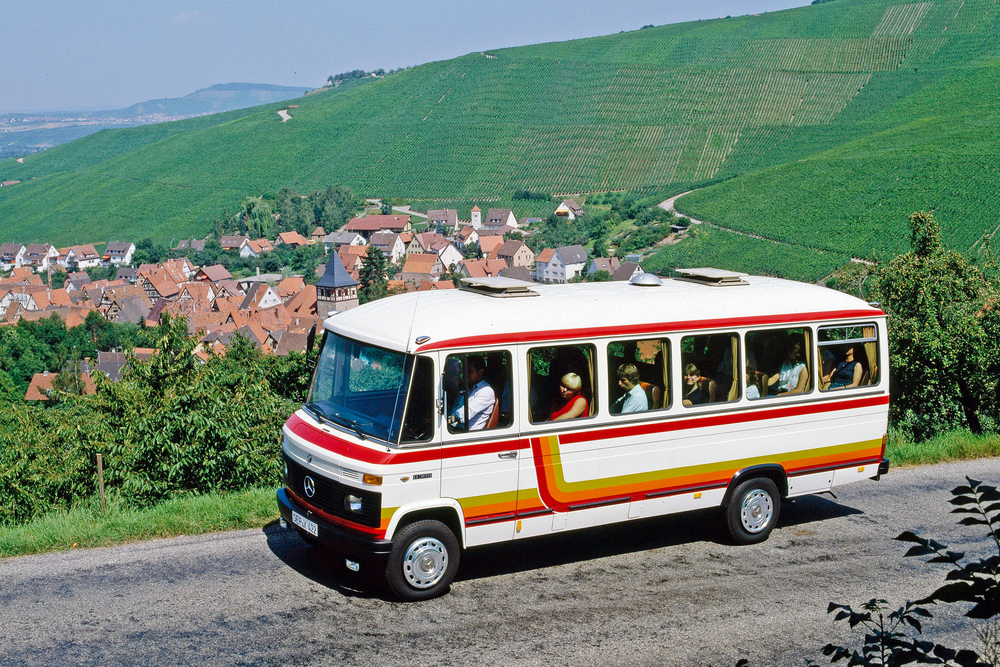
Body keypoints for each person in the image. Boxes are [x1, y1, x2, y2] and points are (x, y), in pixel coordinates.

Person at [449, 356, 495, 430]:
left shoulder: (486, 391)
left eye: (469, 371)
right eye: (464, 371)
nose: (465, 374)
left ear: (480, 372)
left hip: (466, 434)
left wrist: (449, 420)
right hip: (453, 428)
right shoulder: (466, 387)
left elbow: (466, 412)